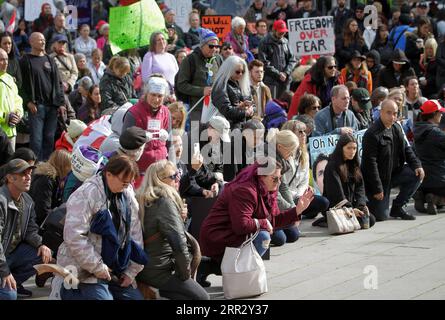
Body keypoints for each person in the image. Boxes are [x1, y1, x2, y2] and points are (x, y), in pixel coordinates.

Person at [198, 157, 314, 286]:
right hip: (217, 235)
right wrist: (263, 223)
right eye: (275, 178)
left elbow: (273, 220)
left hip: (231, 233)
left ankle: (212, 267)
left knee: (266, 234)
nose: (279, 182)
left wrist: (297, 210)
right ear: (260, 177)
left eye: (280, 178)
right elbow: (241, 225)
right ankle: (238, 274)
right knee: (263, 236)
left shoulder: (269, 190)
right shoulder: (245, 190)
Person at [54, 154, 146, 300]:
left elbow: (134, 233)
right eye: (124, 182)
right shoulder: (85, 194)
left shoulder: (127, 193)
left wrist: (131, 272)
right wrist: (98, 267)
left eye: (129, 183)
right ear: (109, 174)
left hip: (117, 269)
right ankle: (67, 292)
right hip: (84, 270)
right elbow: (74, 237)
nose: (127, 186)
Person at [136, 160, 209, 300]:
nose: (178, 179)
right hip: (159, 271)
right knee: (202, 298)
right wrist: (185, 275)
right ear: (159, 180)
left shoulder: (145, 198)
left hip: (146, 267)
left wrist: (180, 218)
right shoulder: (164, 201)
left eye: (178, 175)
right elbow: (178, 243)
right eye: (173, 176)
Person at [361, 99, 424, 221]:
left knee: (417, 174)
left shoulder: (396, 128)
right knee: (380, 217)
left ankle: (398, 207)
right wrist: (377, 188)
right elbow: (370, 164)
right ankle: (366, 202)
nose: (392, 116)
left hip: (395, 173)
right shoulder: (372, 134)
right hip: (379, 179)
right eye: (388, 113)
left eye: (395, 113)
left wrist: (417, 165)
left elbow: (406, 149)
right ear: (381, 113)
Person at [0, 159, 52, 300]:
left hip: (10, 254)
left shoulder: (27, 200)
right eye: (23, 173)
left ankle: (13, 283)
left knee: (43, 253)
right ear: (10, 178)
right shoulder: (1, 200)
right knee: (9, 296)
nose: (29, 176)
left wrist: (41, 244)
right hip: (1, 258)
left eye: (29, 172)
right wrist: (4, 271)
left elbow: (31, 230)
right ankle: (7, 284)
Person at [19, 32, 65, 161]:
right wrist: (28, 102)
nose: (43, 42)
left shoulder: (50, 59)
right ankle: (35, 168)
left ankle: (46, 166)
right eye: (39, 40)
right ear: (31, 42)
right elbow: (19, 85)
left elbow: (58, 83)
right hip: (36, 106)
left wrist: (61, 103)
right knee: (36, 140)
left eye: (44, 40)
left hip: (52, 106)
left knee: (49, 138)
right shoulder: (25, 60)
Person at [321, 134, 376, 229]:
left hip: (351, 204)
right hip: (337, 205)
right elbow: (335, 193)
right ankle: (326, 219)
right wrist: (350, 209)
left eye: (354, 148)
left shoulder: (354, 164)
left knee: (371, 219)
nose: (352, 151)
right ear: (341, 148)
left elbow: (360, 187)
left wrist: (360, 205)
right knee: (360, 221)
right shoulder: (332, 166)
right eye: (349, 148)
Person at [122, 76, 170, 181]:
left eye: (160, 96)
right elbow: (124, 143)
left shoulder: (166, 112)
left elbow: (169, 140)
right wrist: (140, 137)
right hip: (140, 170)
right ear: (146, 93)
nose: (156, 99)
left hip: (160, 168)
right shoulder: (133, 113)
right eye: (153, 95)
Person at [281, 120, 330, 220]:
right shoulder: (283, 154)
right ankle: (293, 213)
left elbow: (305, 180)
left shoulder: (304, 154)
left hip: (298, 195)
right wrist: (295, 200)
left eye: (305, 131)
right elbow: (282, 185)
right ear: (290, 134)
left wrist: (300, 197)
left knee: (324, 203)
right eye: (300, 132)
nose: (304, 134)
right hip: (284, 197)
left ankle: (300, 212)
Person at [175, 28, 219, 124]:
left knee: (214, 138)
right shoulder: (190, 60)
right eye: (211, 46)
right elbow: (181, 85)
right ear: (202, 45)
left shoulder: (217, 59)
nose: (214, 49)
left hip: (215, 108)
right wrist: (201, 91)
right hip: (196, 108)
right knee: (196, 137)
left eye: (216, 46)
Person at [413, 100, 445, 215]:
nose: (441, 115)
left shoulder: (417, 130)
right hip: (440, 180)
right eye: (440, 113)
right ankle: (436, 199)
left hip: (422, 181)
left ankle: (421, 195)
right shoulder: (436, 133)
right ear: (434, 114)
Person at [29, 149, 71, 226]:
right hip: (35, 224)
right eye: (69, 166)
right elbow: (42, 211)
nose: (70, 170)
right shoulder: (46, 180)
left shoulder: (48, 176)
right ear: (63, 166)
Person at [211, 55, 254, 129]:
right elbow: (226, 110)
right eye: (237, 72)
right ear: (229, 69)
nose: (240, 74)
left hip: (241, 125)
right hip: (226, 127)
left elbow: (252, 103)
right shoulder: (221, 85)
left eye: (242, 72)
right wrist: (245, 112)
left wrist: (250, 108)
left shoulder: (241, 83)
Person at [258, 19, 296, 99]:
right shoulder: (264, 42)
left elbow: (292, 59)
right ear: (274, 30)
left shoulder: (286, 41)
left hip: (285, 81)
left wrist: (286, 72)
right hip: (271, 81)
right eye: (280, 32)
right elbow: (263, 62)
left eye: (284, 32)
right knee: (272, 105)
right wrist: (278, 74)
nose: (282, 34)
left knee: (285, 105)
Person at [0, 48, 23, 152]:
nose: (5, 63)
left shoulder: (9, 78)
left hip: (11, 132)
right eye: (1, 60)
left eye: (6, 59)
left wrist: (18, 114)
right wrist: (5, 117)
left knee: (9, 167)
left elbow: (18, 100)